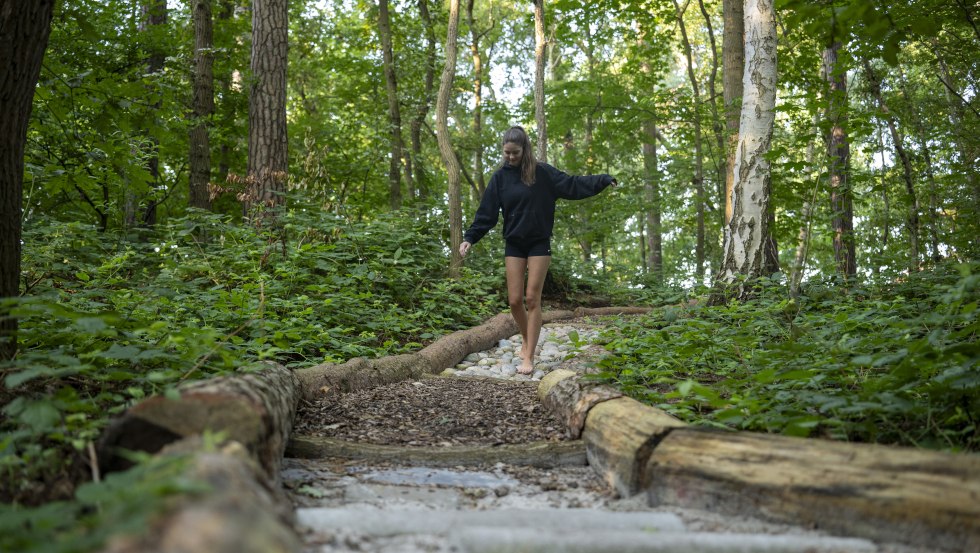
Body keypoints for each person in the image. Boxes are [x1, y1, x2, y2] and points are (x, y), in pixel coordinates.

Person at [459, 126, 616, 375]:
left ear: (525, 150)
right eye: (507, 153)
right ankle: (526, 337)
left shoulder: (542, 173)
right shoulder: (500, 178)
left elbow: (573, 185)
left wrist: (603, 179)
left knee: (532, 298)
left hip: (539, 242)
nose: (511, 157)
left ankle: (529, 356)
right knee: (513, 301)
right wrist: (470, 237)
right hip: (514, 243)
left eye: (515, 153)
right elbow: (486, 214)